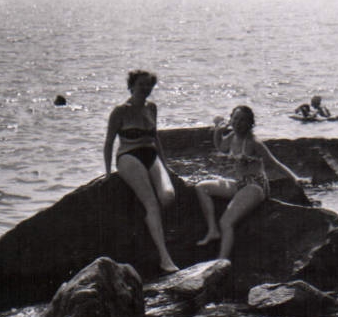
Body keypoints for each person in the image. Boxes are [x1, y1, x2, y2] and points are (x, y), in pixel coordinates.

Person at [193, 105, 302, 261]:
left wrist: (294, 178)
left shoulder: (254, 142)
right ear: (231, 120)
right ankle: (212, 230)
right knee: (201, 187)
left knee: (226, 222)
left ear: (250, 123)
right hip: (240, 183)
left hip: (255, 187)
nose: (238, 123)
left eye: (243, 120)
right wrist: (217, 131)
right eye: (235, 119)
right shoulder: (232, 136)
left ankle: (221, 262)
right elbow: (221, 148)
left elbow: (274, 163)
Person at [103, 69, 180, 274]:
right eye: (141, 84)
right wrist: (108, 172)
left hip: (151, 154)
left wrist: (165, 165)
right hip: (128, 156)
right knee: (151, 203)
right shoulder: (120, 111)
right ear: (131, 86)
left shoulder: (151, 107)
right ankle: (165, 258)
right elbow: (109, 142)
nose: (145, 88)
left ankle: (151, 225)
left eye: (149, 85)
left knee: (168, 196)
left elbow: (156, 138)